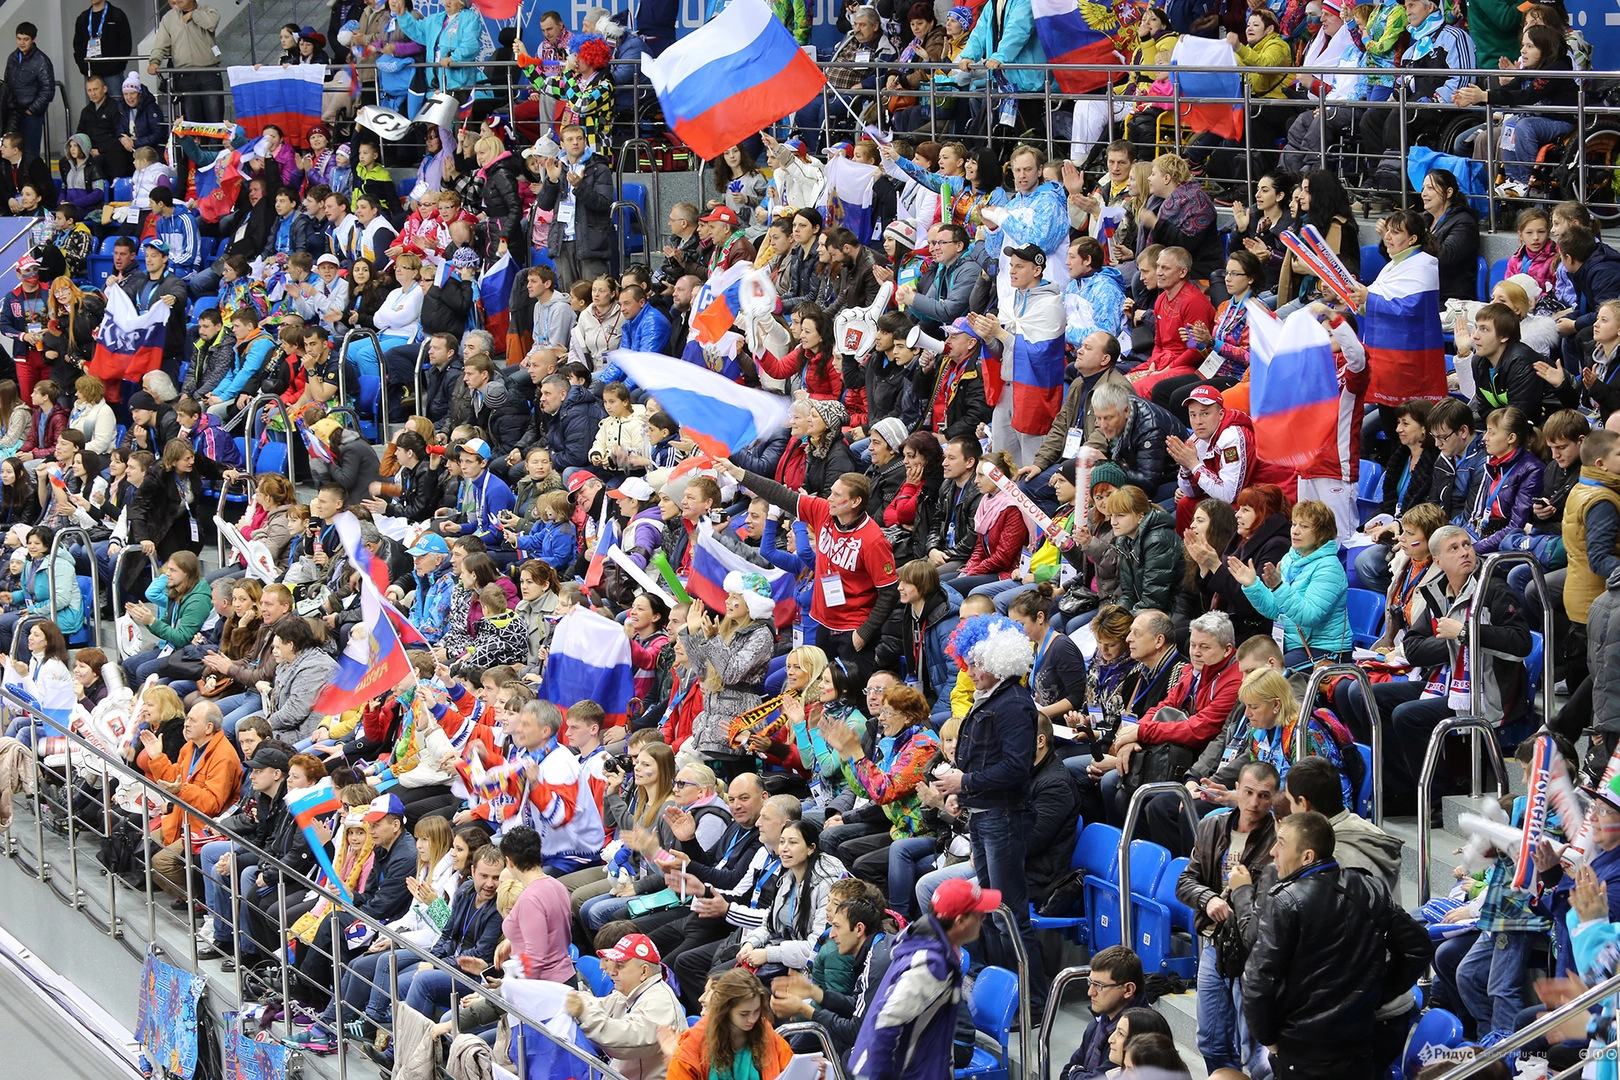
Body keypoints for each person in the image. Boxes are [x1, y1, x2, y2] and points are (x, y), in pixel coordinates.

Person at [1242, 811, 1432, 1080]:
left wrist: (1268, 1038)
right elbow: (1418, 948)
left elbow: (1257, 980)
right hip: (1359, 1041)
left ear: (1307, 857)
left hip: (1302, 1050)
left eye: (1281, 843)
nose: (1273, 852)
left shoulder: (1284, 901)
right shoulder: (1370, 888)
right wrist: (1374, 993)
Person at [932, 614, 1046, 1012]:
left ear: (998, 660)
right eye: (967, 662)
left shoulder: (1013, 704)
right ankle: (1008, 994)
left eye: (977, 663)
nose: (969, 671)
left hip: (1004, 818)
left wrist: (964, 782)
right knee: (993, 911)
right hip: (985, 815)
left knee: (1009, 914)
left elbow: (1016, 767)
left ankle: (1033, 1002)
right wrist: (961, 792)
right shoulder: (994, 698)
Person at [721, 459, 896, 685]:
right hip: (823, 623)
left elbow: (889, 591)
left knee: (851, 693)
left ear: (855, 501)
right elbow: (779, 494)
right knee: (821, 690)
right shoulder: (823, 511)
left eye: (837, 495)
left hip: (853, 628)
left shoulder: (873, 540)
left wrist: (864, 632)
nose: (829, 498)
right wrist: (739, 472)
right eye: (831, 492)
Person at [1175, 759, 1278, 1077]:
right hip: (1214, 944)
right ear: (1237, 789)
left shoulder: (1279, 841)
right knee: (1210, 1041)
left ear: (1274, 798)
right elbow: (1185, 882)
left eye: (1264, 795)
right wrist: (1207, 900)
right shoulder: (1211, 827)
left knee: (1256, 1052)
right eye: (1248, 792)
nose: (1254, 802)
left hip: (1253, 953)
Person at [849, 876, 996, 1080]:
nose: (983, 918)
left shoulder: (929, 943)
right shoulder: (931, 964)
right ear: (960, 921)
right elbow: (885, 1021)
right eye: (978, 914)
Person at [1230, 498, 1351, 670]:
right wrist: (1253, 585)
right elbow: (1273, 610)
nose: (1295, 531)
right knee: (1242, 665)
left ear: (1322, 533)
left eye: (1304, 526)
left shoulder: (1329, 568)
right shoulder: (1289, 559)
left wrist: (1279, 587)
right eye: (1294, 524)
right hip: (1291, 645)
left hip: (1324, 651)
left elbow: (1309, 616)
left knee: (1265, 676)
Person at [664, 968, 793, 1080]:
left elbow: (790, 1069)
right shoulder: (694, 1043)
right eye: (744, 1014)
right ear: (726, 1010)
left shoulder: (765, 1032)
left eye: (757, 1011)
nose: (752, 1019)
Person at [1059, 946, 1151, 1080]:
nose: (1090, 992)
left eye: (1100, 985)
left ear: (1128, 990)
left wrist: (1075, 1072)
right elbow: (1066, 1072)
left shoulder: (1140, 1034)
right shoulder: (1097, 1024)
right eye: (1090, 982)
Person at [147, 0, 224, 125]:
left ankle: (216, 139)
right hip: (184, 75)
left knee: (215, 120)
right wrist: (155, 61)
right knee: (192, 122)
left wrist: (193, 15)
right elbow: (160, 44)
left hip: (209, 72)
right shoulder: (169, 18)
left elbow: (211, 23)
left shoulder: (207, 10)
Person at [5, 25, 55, 160]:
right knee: (10, 152)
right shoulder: (12, 58)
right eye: (19, 38)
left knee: (30, 153)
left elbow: (48, 89)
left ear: (33, 39)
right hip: (13, 112)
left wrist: (32, 110)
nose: (21, 42)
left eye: (25, 39)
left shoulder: (42, 60)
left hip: (31, 114)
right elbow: (6, 85)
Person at [74, 0, 134, 82]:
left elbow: (125, 44)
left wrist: (116, 66)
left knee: (115, 91)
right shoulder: (83, 18)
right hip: (90, 72)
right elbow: (77, 45)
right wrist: (83, 66)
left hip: (113, 74)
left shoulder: (116, 15)